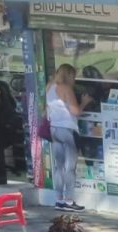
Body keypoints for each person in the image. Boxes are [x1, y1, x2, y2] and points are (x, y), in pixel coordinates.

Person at [47, 64, 94, 212]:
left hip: (54, 128)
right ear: (69, 75)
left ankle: (59, 199)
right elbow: (75, 111)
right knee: (70, 167)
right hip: (67, 129)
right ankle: (69, 200)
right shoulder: (66, 89)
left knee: (59, 166)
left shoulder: (49, 87)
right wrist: (84, 102)